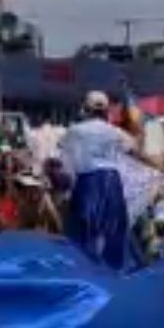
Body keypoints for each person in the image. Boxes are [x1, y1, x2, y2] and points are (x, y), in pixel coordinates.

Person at [59, 90, 144, 270]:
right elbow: (136, 151)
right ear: (106, 111)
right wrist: (161, 167)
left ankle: (82, 271)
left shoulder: (75, 130)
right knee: (115, 233)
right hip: (111, 182)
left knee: (83, 231)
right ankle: (115, 274)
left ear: (86, 109)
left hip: (88, 181)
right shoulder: (114, 131)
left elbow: (62, 156)